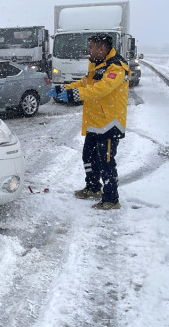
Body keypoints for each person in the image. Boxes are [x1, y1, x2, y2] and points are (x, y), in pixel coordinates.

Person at [46, 33, 131, 210]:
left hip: (109, 123)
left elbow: (101, 89)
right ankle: (93, 188)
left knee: (107, 162)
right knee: (89, 157)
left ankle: (111, 199)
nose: (88, 50)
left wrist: (74, 95)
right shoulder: (97, 64)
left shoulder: (116, 67)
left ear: (101, 49)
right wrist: (64, 88)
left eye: (91, 46)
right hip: (94, 122)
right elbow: (86, 82)